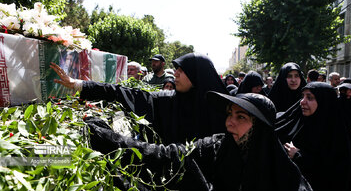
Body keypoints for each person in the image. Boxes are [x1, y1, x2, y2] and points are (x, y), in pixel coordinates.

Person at [85, 92, 315, 191]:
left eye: (241, 117)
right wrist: (108, 138)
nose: (229, 123)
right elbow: (165, 155)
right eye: (229, 114)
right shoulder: (216, 146)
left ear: (260, 128)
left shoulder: (285, 176)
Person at [50, 53, 228, 144]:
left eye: (182, 70)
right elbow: (124, 93)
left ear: (197, 76)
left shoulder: (226, 112)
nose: (176, 74)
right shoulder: (169, 101)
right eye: (176, 70)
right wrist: (79, 85)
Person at [276, 82, 351, 191]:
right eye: (303, 96)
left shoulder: (336, 135)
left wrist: (299, 156)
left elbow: (334, 172)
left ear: (324, 102)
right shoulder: (300, 124)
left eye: (310, 98)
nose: (302, 102)